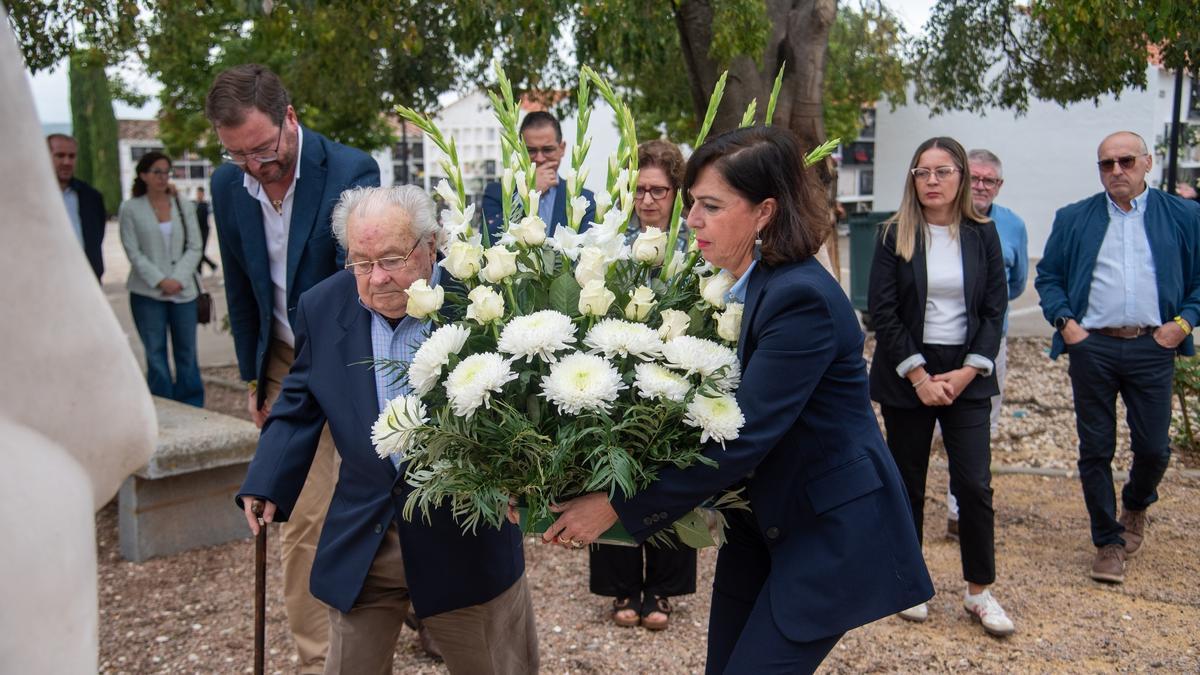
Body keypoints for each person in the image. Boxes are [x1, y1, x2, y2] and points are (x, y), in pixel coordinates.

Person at [545, 126, 933, 674]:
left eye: (709, 205)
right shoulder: (747, 284)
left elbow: (744, 433)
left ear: (764, 212)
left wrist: (617, 506)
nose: (691, 220)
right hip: (762, 524)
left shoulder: (800, 297)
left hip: (826, 532)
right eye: (690, 205)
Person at [237, 185, 537, 674]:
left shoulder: (484, 301)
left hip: (463, 534)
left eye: (393, 259)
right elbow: (299, 400)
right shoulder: (322, 305)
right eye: (360, 261)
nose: (376, 278)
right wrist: (266, 479)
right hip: (366, 535)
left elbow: (530, 402)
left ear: (432, 245)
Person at [205, 63, 381, 673]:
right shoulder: (227, 189)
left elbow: (349, 292)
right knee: (302, 513)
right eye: (238, 157)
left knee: (378, 489)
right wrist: (258, 379)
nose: (255, 167)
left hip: (351, 353)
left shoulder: (352, 170)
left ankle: (411, 601)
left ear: (290, 117)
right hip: (282, 357)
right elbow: (241, 286)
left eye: (264, 149)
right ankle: (318, 658)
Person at [1035, 131, 1200, 584]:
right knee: (1096, 448)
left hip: (1153, 345)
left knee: (1153, 447)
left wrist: (1182, 324)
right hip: (1094, 347)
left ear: (1148, 162)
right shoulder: (1074, 218)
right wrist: (1067, 323)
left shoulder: (1184, 215)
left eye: (1125, 161)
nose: (1116, 171)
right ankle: (1107, 541)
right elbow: (1048, 276)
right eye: (1106, 164)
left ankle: (1136, 503)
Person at [867, 137, 1014, 636]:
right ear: (912, 179)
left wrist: (970, 370)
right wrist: (919, 377)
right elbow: (881, 311)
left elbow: (995, 309)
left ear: (961, 178)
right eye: (922, 172)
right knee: (906, 483)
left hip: (966, 374)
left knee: (973, 483)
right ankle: (908, 584)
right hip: (909, 371)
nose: (932, 181)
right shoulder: (893, 233)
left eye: (943, 171)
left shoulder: (983, 234)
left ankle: (979, 591)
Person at [593, 139, 695, 632]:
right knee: (612, 472)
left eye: (658, 190)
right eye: (639, 190)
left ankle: (663, 587)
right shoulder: (614, 241)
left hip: (672, 371)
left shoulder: (692, 244)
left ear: (677, 192)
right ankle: (620, 586)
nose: (648, 200)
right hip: (620, 368)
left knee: (666, 473)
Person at [945, 148, 1029, 540]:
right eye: (974, 178)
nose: (980, 186)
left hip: (989, 341)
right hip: (938, 341)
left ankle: (960, 509)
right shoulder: (941, 217)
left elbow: (1017, 283)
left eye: (988, 180)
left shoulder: (1012, 226)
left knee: (980, 425)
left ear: (999, 186)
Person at [118, 151, 205, 407]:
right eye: (157, 172)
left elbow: (195, 246)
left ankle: (192, 406)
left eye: (166, 172)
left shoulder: (183, 205)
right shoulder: (131, 208)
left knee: (187, 353)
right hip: (147, 294)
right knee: (155, 354)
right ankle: (163, 405)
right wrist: (159, 280)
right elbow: (133, 250)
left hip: (184, 291)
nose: (163, 177)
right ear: (143, 175)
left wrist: (177, 278)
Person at [481, 111, 596, 240]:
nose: (540, 158)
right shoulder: (496, 193)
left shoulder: (584, 199)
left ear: (562, 148)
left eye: (548, 150)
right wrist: (527, 194)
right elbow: (487, 242)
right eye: (531, 151)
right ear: (520, 150)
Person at [48, 133, 106, 280]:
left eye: (72, 156)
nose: (67, 162)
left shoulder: (91, 197)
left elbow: (97, 236)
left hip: (85, 281)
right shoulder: (31, 196)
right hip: (45, 282)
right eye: (60, 155)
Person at [194, 186, 218, 274]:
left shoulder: (204, 205)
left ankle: (209, 267)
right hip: (198, 231)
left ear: (202, 194)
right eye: (197, 193)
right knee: (199, 252)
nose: (198, 195)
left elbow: (200, 219)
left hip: (203, 231)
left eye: (199, 193)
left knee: (200, 252)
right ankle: (208, 267)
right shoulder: (196, 204)